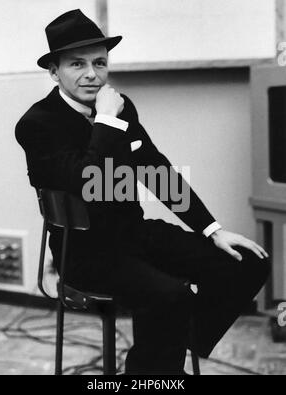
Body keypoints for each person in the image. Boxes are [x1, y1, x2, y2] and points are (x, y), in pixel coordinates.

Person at [15, 9, 270, 375]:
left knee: (248, 264)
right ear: (54, 71)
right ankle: (154, 371)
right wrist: (105, 120)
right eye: (77, 64)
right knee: (172, 296)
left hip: (135, 234)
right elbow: (90, 183)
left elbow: (155, 169)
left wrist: (212, 229)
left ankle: (160, 360)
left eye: (100, 62)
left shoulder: (121, 107)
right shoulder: (37, 125)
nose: (92, 74)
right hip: (86, 252)